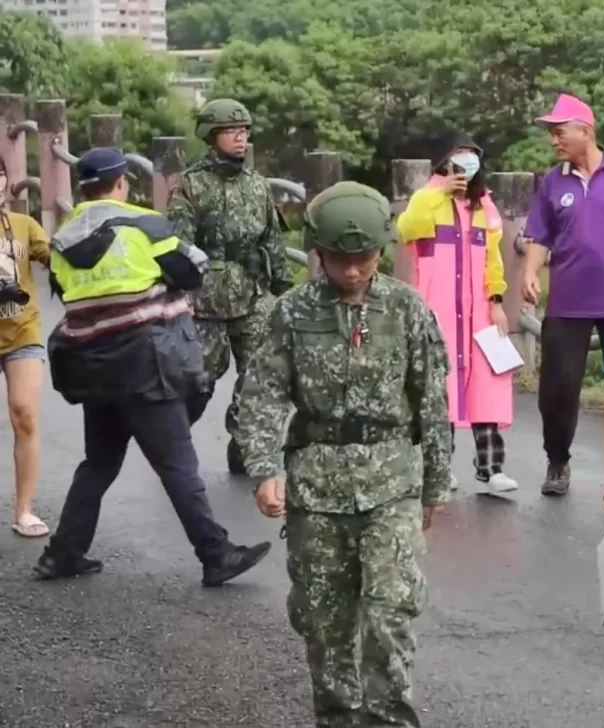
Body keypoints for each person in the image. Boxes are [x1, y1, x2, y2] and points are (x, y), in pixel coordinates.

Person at [236, 181, 451, 727]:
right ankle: (336, 716)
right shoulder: (291, 312)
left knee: (390, 611)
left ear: (381, 251)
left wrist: (435, 485)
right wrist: (263, 468)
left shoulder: (406, 308)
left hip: (392, 479)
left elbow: (431, 398)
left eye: (362, 259)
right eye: (338, 259)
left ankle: (389, 719)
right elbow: (261, 392)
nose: (352, 271)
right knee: (323, 618)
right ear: (318, 253)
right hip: (317, 484)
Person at [34, 147, 271, 585]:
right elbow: (193, 270)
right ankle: (216, 555)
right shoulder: (145, 225)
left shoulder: (63, 238)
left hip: (94, 364)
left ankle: (61, 554)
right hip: (147, 363)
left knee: (99, 462)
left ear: (83, 188)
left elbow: (69, 295)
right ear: (122, 182)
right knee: (178, 465)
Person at [520, 93, 604, 496]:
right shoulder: (553, 181)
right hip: (567, 301)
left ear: (587, 131)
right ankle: (558, 460)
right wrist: (529, 271)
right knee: (559, 388)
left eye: (559, 132)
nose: (554, 141)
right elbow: (539, 235)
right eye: (552, 134)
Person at [167, 97, 292, 475]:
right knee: (199, 379)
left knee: (261, 374)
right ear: (211, 136)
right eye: (231, 132)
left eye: (244, 132)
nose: (240, 139)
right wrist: (180, 296)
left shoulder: (257, 186)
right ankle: (171, 441)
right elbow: (179, 244)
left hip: (253, 293)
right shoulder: (191, 186)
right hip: (206, 299)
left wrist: (283, 290)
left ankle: (243, 444)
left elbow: (272, 240)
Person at [397, 131, 517, 495]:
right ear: (444, 161)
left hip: (479, 311)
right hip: (439, 311)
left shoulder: (484, 206)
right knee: (440, 389)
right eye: (460, 154)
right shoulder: (426, 199)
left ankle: (492, 468)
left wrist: (496, 301)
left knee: (487, 388)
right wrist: (439, 192)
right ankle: (440, 468)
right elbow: (406, 230)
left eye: (472, 154)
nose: (467, 161)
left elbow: (493, 258)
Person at [0, 157, 50, 538]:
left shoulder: (23, 224)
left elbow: (58, 258)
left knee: (25, 414)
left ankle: (24, 510)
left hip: (23, 331)